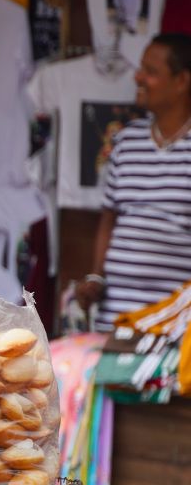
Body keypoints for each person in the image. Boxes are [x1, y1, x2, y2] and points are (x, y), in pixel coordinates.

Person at [76, 33, 191, 331]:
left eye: (151, 72)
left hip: (174, 327)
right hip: (115, 319)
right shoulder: (126, 142)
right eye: (141, 69)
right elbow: (109, 219)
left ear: (182, 82)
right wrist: (95, 277)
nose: (138, 77)